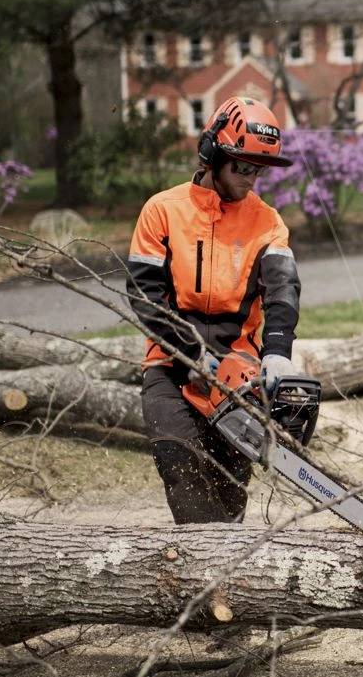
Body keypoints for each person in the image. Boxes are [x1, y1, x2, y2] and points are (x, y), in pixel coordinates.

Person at [126, 96, 301, 524]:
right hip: (170, 365)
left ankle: (224, 582)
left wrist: (276, 351)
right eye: (243, 167)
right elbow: (145, 294)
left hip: (237, 373)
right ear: (213, 155)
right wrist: (190, 351)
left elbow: (283, 289)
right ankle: (205, 576)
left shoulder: (268, 222)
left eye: (259, 170)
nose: (252, 179)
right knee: (184, 473)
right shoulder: (162, 211)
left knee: (229, 497)